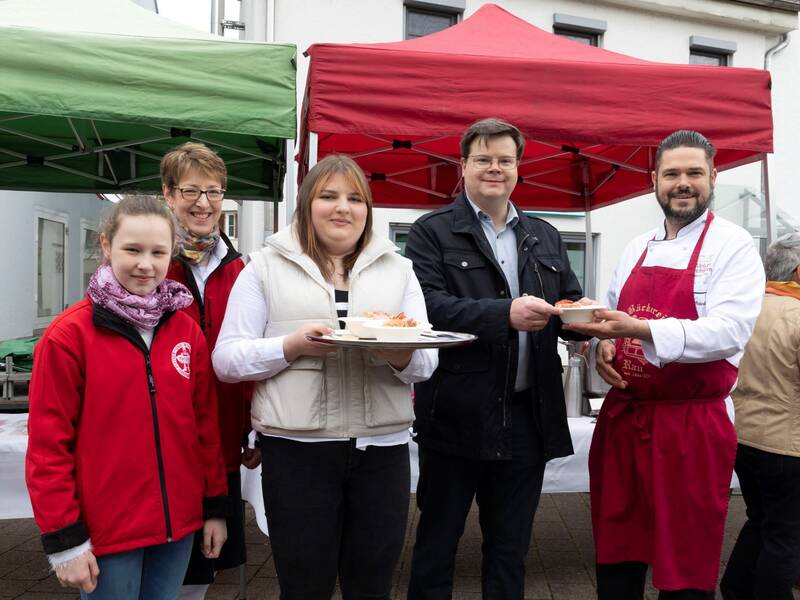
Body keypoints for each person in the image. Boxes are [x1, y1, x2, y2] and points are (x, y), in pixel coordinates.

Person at [212, 154, 437, 600]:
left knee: (372, 585)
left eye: (356, 198)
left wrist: (396, 354)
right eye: (328, 196)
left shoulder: (399, 268)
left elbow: (426, 364)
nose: (343, 208)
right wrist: (288, 347)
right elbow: (227, 359)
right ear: (306, 204)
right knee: (304, 586)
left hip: (383, 453)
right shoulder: (263, 268)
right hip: (298, 454)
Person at [563, 130, 765, 599]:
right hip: (624, 420)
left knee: (687, 558)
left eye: (694, 172)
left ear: (713, 177)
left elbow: (728, 331)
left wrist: (638, 330)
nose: (683, 183)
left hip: (691, 425)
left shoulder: (733, 246)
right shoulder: (636, 247)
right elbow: (608, 319)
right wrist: (600, 349)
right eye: (672, 173)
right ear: (654, 179)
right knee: (617, 548)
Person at [404, 117, 589, 600]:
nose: (495, 168)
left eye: (505, 160)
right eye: (483, 159)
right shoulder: (431, 232)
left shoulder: (544, 234)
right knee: (437, 545)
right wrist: (502, 314)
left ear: (517, 168)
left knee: (510, 551)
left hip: (528, 417)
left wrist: (586, 327)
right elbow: (425, 307)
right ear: (462, 166)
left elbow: (568, 299)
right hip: (455, 416)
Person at [25, 196, 229, 600]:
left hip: (178, 527)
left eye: (158, 252)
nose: (145, 264)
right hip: (109, 531)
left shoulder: (186, 331)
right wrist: (65, 540)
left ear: (172, 253)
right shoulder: (68, 337)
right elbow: (49, 448)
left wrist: (215, 508)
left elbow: (205, 429)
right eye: (132, 249)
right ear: (106, 245)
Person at [158, 142, 255, 600]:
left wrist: (253, 424)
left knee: (203, 566)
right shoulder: (151, 263)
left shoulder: (240, 268)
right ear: (168, 195)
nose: (203, 203)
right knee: (162, 560)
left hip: (223, 434)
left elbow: (253, 349)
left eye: (214, 191)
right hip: (167, 438)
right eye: (191, 190)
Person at [720, 233, 800, 600]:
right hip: (788, 446)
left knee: (761, 520)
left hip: (743, 438)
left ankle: (736, 588)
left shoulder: (744, 309)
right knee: (784, 537)